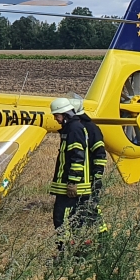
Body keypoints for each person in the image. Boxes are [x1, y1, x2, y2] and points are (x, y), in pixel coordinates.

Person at [48, 96, 107, 232]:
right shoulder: (74, 128)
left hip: (80, 183)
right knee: (87, 215)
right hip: (77, 183)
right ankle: (97, 243)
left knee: (69, 218)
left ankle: (73, 248)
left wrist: (95, 177)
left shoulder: (80, 129)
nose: (56, 119)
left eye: (57, 115)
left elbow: (82, 156)